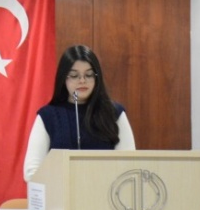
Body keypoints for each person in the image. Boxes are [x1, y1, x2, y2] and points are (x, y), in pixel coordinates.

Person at [23, 45, 136, 181]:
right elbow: (31, 172)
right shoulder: (48, 116)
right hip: (60, 192)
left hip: (106, 191)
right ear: (63, 78)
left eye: (88, 75)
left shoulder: (115, 114)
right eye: (74, 75)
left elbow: (129, 165)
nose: (82, 80)